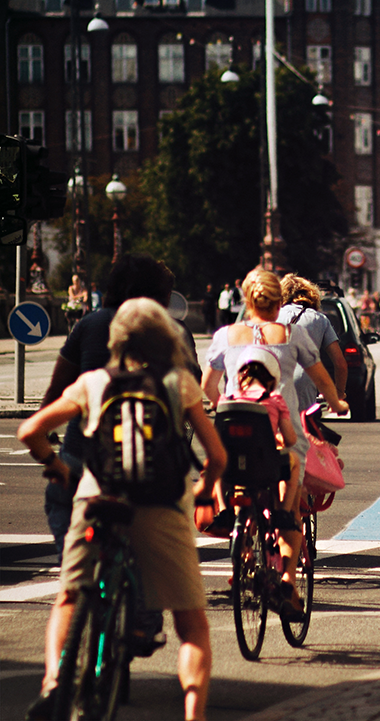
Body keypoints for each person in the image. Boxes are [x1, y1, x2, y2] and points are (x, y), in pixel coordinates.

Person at [18, 298, 227, 721]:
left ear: (116, 339)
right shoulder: (177, 383)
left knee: (69, 596)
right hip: (160, 507)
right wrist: (205, 489)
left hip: (98, 499)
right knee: (191, 625)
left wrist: (57, 467)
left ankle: (55, 680)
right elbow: (217, 456)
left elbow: (31, 430)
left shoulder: (94, 381)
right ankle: (194, 714)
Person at [202, 268, 344, 618]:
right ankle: (286, 581)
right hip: (280, 433)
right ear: (279, 303)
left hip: (234, 425)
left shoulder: (225, 335)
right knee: (290, 510)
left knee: (234, 476)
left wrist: (225, 405)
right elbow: (321, 377)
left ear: (246, 301)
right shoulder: (291, 334)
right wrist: (337, 402)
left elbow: (208, 387)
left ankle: (237, 533)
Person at [38, 253, 188, 560]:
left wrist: (51, 458)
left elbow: (54, 391)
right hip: (147, 466)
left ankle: (76, 589)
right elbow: (187, 400)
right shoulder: (173, 333)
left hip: (82, 455)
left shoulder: (88, 325)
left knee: (64, 522)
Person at [229, 345, 301, 522]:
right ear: (271, 376)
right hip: (265, 462)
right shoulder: (275, 400)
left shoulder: (228, 399)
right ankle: (284, 512)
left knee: (239, 482)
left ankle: (226, 512)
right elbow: (290, 439)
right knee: (295, 462)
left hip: (232, 462)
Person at [278, 274, 349, 419]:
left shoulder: (271, 316)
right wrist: (339, 394)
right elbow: (340, 363)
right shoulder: (319, 319)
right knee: (306, 433)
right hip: (304, 386)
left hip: (273, 384)